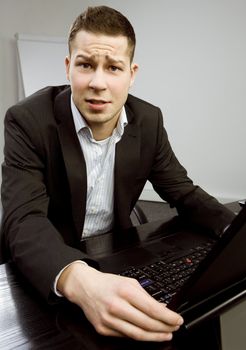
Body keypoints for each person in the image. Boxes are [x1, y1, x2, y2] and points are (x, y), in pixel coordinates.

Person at [1, 5, 235, 342]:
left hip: (112, 255)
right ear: (68, 67)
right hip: (44, 268)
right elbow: (23, 221)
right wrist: (77, 278)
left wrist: (231, 227)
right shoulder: (27, 120)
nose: (98, 82)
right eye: (85, 65)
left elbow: (182, 191)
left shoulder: (149, 120)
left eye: (113, 67)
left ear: (131, 73)